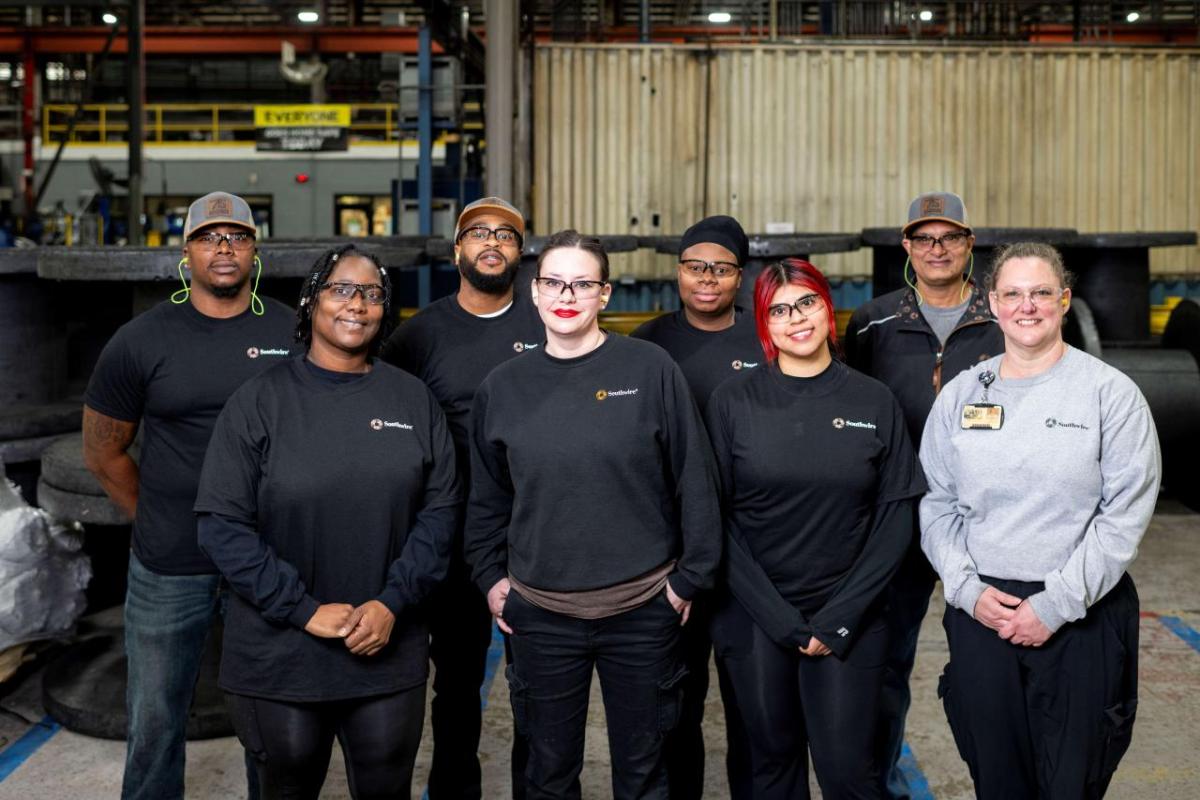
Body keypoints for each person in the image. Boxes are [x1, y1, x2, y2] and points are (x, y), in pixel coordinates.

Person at [194, 244, 461, 799]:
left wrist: (392, 603)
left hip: (386, 643)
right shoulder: (259, 401)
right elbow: (221, 524)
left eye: (372, 294)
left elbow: (440, 514)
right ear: (311, 301)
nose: (357, 304)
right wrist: (303, 610)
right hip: (280, 653)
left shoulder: (412, 400)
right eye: (341, 289)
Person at [465, 229, 722, 800]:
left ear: (604, 294)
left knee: (646, 774)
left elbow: (694, 479)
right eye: (554, 282)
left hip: (644, 612)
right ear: (534, 291)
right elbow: (487, 498)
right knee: (548, 776)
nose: (567, 295)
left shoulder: (651, 369)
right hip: (541, 616)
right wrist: (490, 578)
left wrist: (688, 581)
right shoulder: (503, 388)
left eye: (582, 284)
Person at [920, 242, 1159, 799]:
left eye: (1041, 293)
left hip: (1081, 614)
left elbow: (1123, 514)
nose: (1026, 306)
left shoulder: (1110, 394)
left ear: (1064, 300)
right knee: (996, 777)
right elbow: (936, 502)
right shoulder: (961, 395)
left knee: (1074, 780)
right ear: (992, 303)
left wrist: (1054, 606)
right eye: (1013, 294)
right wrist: (965, 589)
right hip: (984, 613)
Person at [82, 191, 294, 800]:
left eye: (237, 236)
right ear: (186, 253)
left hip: (269, 558)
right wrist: (156, 519)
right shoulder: (141, 340)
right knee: (154, 718)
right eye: (208, 237)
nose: (223, 248)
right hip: (170, 563)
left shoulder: (293, 331)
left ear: (255, 250)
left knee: (272, 719)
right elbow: (103, 451)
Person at [706, 258, 925, 799]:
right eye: (779, 310)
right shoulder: (733, 401)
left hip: (850, 615)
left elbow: (896, 516)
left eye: (806, 302)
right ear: (765, 324)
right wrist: (781, 621)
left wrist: (840, 618)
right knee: (770, 767)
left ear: (828, 308)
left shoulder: (873, 400)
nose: (796, 318)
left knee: (849, 772)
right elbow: (717, 520)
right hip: (757, 614)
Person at [379, 196, 543, 799]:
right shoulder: (418, 336)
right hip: (452, 539)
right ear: (457, 251)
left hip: (534, 536)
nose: (492, 242)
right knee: (456, 682)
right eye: (479, 233)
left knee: (539, 686)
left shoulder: (547, 324)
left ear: (520, 253)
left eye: (506, 234)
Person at [842, 191, 1004, 799]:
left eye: (950, 237)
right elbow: (850, 412)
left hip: (985, 521)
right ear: (906, 247)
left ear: (969, 244)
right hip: (897, 519)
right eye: (925, 238)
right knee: (884, 664)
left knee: (991, 665)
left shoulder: (1004, 316)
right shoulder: (873, 322)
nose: (938, 249)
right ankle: (879, 787)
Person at [630, 214, 759, 799]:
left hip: (751, 554)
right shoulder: (645, 345)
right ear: (678, 272)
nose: (707, 278)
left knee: (753, 709)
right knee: (675, 707)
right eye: (695, 266)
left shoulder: (766, 339)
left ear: (740, 276)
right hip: (672, 557)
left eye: (721, 268)